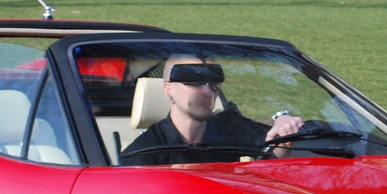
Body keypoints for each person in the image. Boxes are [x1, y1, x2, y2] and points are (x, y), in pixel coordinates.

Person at [121, 57, 304, 165]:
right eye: (194, 82)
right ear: (169, 90)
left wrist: (282, 120)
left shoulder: (230, 128)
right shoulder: (143, 154)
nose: (208, 91)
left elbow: (270, 148)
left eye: (213, 83)